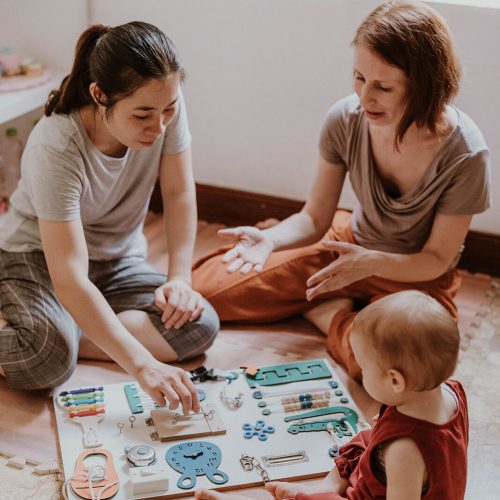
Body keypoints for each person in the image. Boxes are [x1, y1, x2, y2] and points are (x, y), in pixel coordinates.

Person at [191, 0, 491, 381]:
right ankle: (341, 308)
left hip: (417, 274)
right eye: (359, 78)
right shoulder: (345, 118)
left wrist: (372, 263)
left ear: (426, 86)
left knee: (397, 369)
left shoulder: (466, 154)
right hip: (347, 242)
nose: (365, 98)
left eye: (383, 87)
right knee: (202, 294)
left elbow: (435, 257)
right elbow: (315, 217)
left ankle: (329, 313)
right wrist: (270, 239)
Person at [0, 22, 219, 413]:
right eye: (143, 116)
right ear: (99, 95)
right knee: (46, 362)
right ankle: (61, 332)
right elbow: (68, 277)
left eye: (169, 109)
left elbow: (178, 192)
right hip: (36, 257)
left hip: (115, 259)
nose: (160, 126)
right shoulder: (56, 145)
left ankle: (72, 328)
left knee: (199, 324)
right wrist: (142, 365)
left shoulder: (163, 109)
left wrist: (180, 279)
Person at [195, 290, 469, 500]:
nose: (359, 371)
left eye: (363, 367)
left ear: (395, 380)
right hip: (392, 472)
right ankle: (327, 486)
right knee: (363, 438)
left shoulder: (405, 450)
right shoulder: (449, 390)